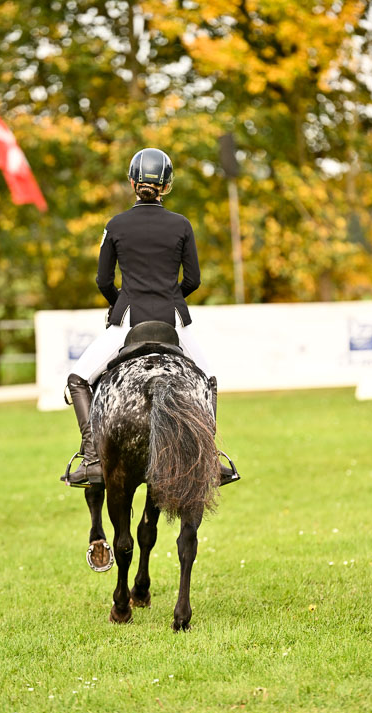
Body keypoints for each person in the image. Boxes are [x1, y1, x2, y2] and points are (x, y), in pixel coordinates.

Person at [60, 147, 240, 488]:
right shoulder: (181, 225)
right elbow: (193, 280)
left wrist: (119, 304)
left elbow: (103, 280)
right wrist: (170, 299)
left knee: (78, 378)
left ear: (132, 182)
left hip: (128, 318)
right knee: (209, 379)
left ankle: (92, 457)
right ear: (167, 185)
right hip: (172, 319)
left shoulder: (115, 225)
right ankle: (211, 457)